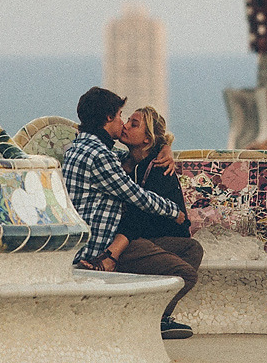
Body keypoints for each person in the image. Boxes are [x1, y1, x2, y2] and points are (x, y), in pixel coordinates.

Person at [90, 106, 204, 340]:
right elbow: (137, 215)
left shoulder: (157, 166)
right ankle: (149, 321)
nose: (125, 125)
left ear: (147, 138)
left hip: (148, 236)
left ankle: (159, 318)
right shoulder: (122, 162)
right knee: (186, 275)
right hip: (128, 239)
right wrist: (113, 254)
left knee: (193, 249)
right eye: (127, 120)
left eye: (133, 124)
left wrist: (165, 147)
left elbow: (142, 215)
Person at [62, 87, 185, 270]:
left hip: (77, 244)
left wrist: (164, 146)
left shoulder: (78, 148)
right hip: (93, 251)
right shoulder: (100, 156)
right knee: (186, 266)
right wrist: (174, 212)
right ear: (109, 117)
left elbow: (124, 157)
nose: (123, 124)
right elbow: (137, 196)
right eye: (121, 116)